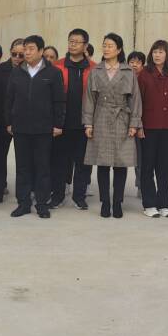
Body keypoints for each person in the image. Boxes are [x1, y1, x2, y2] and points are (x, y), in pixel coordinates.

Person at [83, 33, 143, 219]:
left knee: (120, 163)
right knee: (102, 163)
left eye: (110, 46)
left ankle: (117, 202)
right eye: (104, 45)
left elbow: (135, 99)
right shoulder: (96, 71)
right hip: (100, 117)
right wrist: (88, 123)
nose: (106, 48)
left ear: (119, 49)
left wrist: (134, 123)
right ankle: (105, 202)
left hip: (122, 119)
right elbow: (89, 99)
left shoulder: (128, 71)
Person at [4, 35, 64, 219]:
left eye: (31, 49)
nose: (26, 53)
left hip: (43, 128)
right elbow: (9, 98)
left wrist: (58, 124)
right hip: (20, 127)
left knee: (42, 167)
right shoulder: (17, 71)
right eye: (25, 49)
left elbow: (59, 101)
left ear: (40, 51)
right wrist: (9, 122)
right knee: (22, 167)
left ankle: (42, 204)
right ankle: (23, 203)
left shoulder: (53, 73)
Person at [137, 40, 168, 218]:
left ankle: (163, 204)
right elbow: (138, 102)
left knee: (164, 166)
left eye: (161, 52)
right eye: (155, 52)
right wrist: (138, 125)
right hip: (149, 126)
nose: (157, 55)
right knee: (147, 165)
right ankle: (149, 204)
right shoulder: (144, 74)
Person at [52, 28, 93, 209]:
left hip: (84, 124)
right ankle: (58, 196)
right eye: (70, 41)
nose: (73, 44)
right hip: (62, 123)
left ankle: (79, 197)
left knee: (83, 163)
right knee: (59, 161)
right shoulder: (58, 66)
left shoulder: (94, 68)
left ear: (85, 45)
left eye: (77, 42)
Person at [0, 38, 24, 205]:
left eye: (21, 55)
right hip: (2, 122)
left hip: (23, 122)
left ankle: (25, 195)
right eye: (14, 54)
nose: (17, 58)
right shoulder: (0, 69)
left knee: (24, 160)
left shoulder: (31, 71)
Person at [127, 51, 147, 197]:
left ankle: (141, 185)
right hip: (125, 122)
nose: (134, 65)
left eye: (138, 62)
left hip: (141, 123)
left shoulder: (145, 79)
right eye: (132, 62)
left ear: (143, 65)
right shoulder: (124, 77)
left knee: (141, 157)